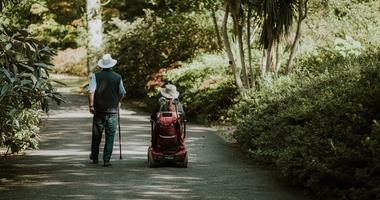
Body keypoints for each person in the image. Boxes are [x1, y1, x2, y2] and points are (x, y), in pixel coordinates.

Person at [87, 54, 126, 167]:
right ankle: (106, 160)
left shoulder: (96, 76)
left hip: (98, 111)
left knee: (96, 135)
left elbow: (91, 91)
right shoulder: (118, 77)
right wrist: (117, 102)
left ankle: (95, 157)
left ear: (102, 66)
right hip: (112, 111)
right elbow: (122, 93)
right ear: (112, 65)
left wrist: (91, 106)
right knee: (110, 136)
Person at [151, 84, 186, 149]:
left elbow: (153, 116)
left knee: (156, 126)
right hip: (175, 131)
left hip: (161, 132)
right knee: (179, 127)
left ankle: (154, 145)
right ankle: (181, 145)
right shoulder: (178, 104)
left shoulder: (160, 104)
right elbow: (183, 117)